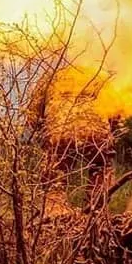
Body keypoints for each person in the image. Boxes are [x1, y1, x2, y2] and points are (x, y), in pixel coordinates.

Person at [25, 72, 116, 211]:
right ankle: (96, 213)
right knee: (102, 167)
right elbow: (116, 113)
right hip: (96, 130)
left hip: (59, 129)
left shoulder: (50, 76)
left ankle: (55, 217)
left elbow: (32, 117)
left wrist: (45, 137)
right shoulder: (100, 77)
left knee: (54, 178)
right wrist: (109, 133)